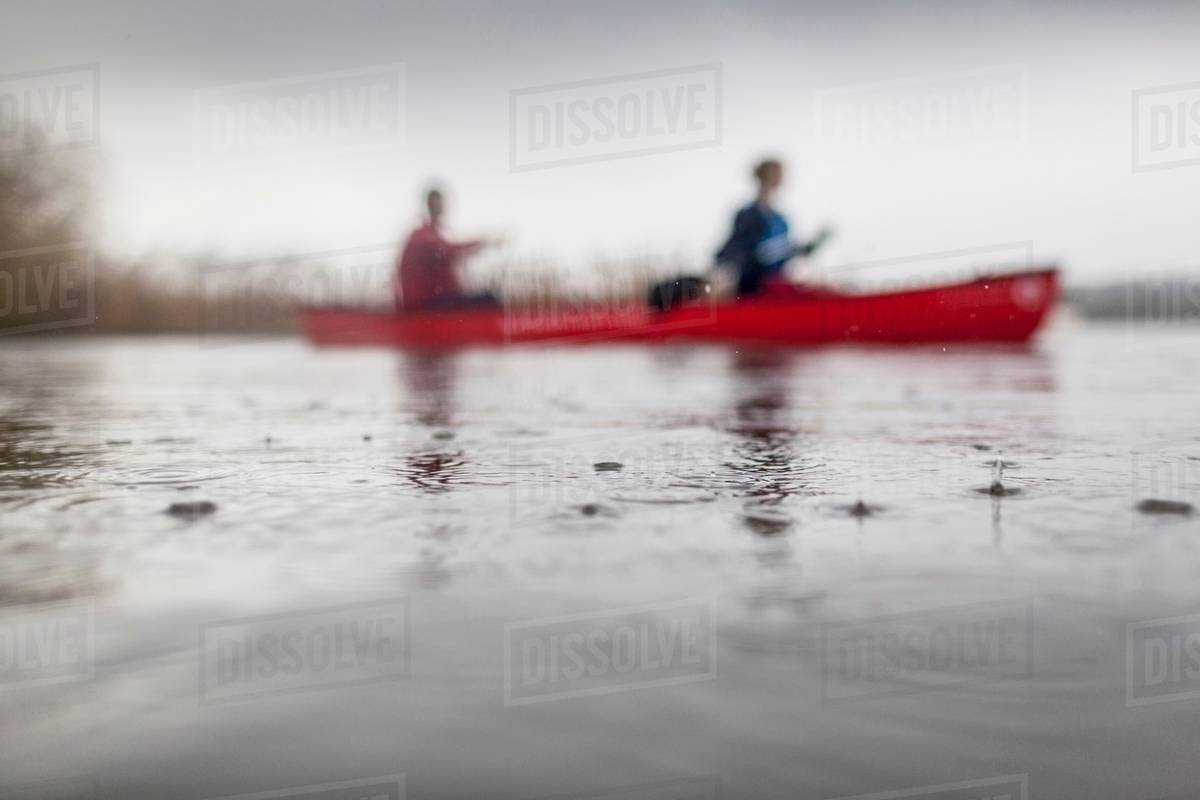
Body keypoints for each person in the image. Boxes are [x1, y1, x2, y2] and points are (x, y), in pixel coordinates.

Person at [715, 158, 831, 298]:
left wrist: (803, 249)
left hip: (776, 281)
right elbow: (733, 252)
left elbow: (784, 254)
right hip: (752, 284)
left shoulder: (781, 219)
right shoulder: (747, 215)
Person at [395, 187, 499, 311]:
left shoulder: (430, 235)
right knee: (489, 299)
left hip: (433, 301)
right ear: (431, 206)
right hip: (428, 304)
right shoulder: (421, 236)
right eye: (438, 205)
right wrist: (485, 242)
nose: (441, 208)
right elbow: (452, 250)